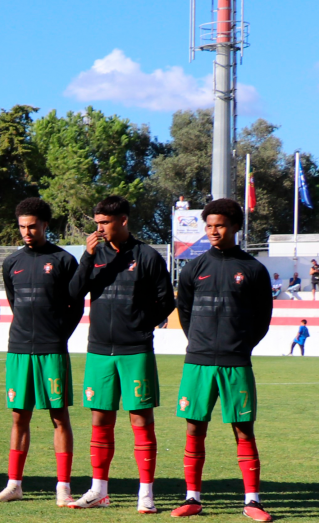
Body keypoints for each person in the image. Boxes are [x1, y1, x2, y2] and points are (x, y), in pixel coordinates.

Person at [68, 196, 175, 513]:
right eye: (97, 223)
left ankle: (146, 493)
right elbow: (73, 294)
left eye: (105, 222)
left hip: (135, 350)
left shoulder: (147, 256)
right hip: (99, 350)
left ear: (123, 221)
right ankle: (99, 490)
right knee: (100, 419)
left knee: (141, 420)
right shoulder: (95, 254)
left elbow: (166, 300)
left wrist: (141, 325)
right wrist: (87, 258)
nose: (99, 228)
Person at [171, 198, 274, 522]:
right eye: (210, 225)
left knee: (243, 430)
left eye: (220, 225)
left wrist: (240, 347)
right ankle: (192, 497)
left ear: (235, 228)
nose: (213, 231)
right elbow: (184, 312)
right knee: (194, 427)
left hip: (236, 362)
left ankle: (253, 501)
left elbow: (262, 318)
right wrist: (199, 343)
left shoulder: (254, 269)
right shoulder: (194, 267)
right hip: (198, 361)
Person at [0, 198, 83, 506]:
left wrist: (57, 335)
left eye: (32, 226)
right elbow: (16, 303)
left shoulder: (63, 260)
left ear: (45, 225)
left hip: (51, 350)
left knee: (59, 416)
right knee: (20, 417)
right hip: (19, 349)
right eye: (22, 227)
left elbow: (74, 306)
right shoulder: (11, 262)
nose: (27, 232)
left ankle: (63, 487)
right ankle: (14, 483)